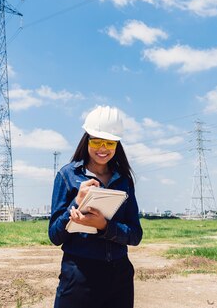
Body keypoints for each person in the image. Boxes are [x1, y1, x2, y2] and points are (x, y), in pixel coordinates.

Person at [49, 105, 142, 308]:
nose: (103, 148)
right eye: (97, 141)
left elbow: (135, 235)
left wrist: (104, 226)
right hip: (78, 274)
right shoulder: (67, 176)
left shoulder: (124, 180)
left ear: (117, 144)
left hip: (119, 277)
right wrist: (76, 202)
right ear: (86, 139)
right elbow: (54, 236)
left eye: (109, 143)